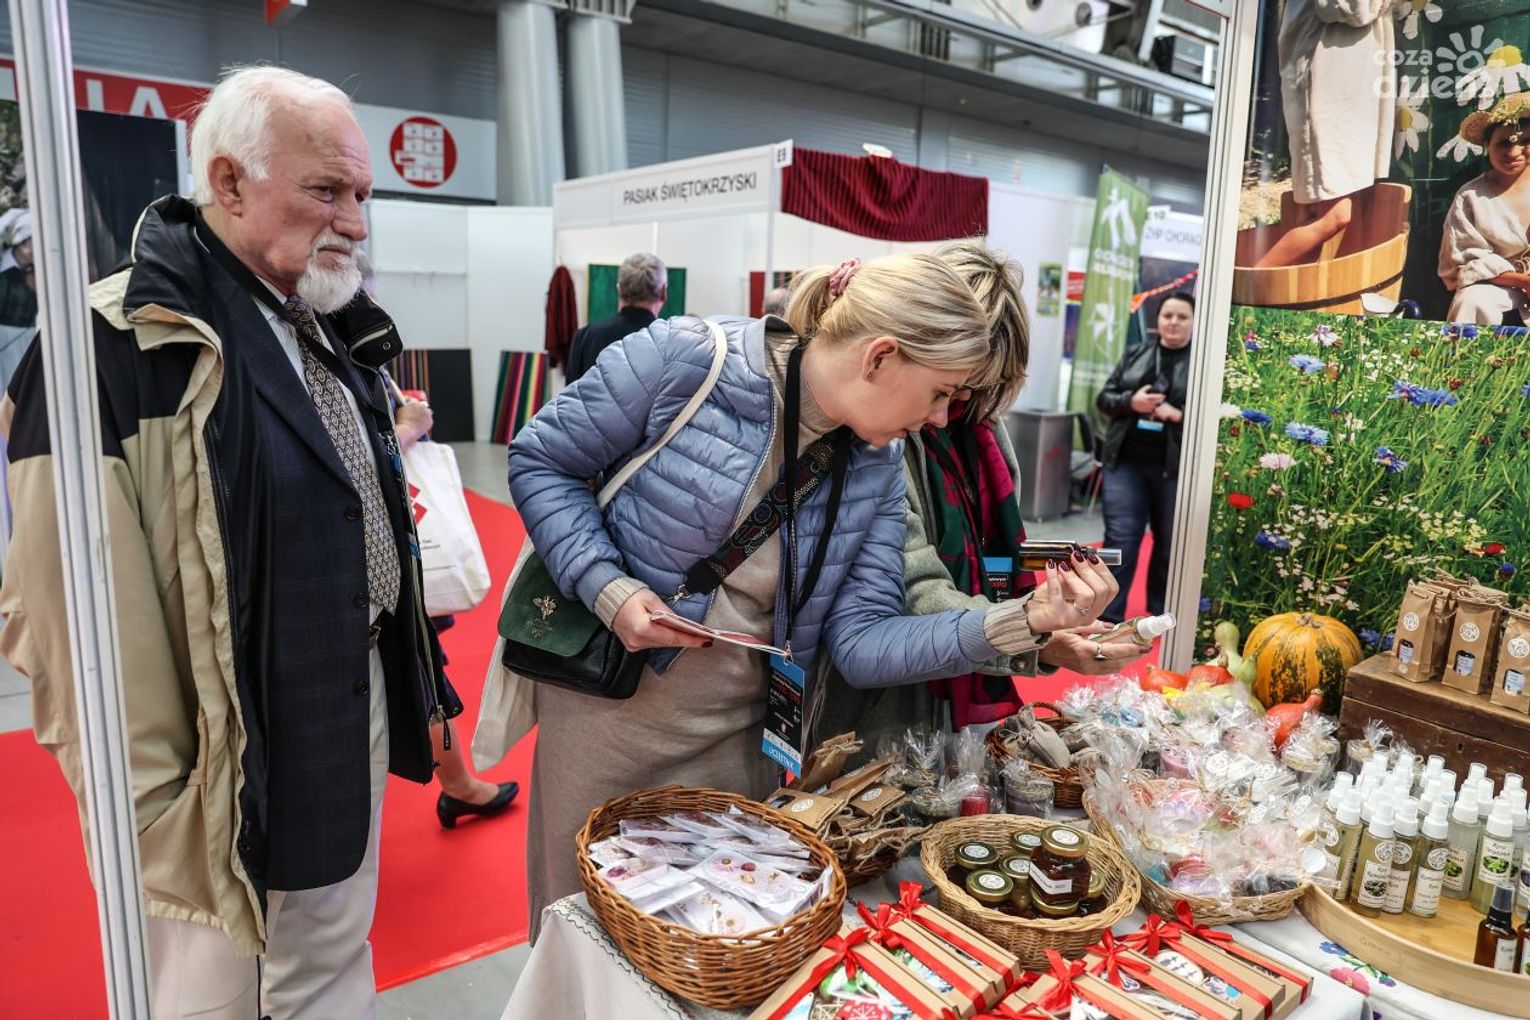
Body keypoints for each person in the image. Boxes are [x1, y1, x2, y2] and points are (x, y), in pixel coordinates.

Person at [0, 67, 454, 1019]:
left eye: (362, 194)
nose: (355, 223)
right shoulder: (108, 344)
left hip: (344, 690)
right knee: (207, 993)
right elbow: (66, 613)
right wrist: (153, 802)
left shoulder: (327, 321)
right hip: (211, 745)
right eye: (325, 190)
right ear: (229, 182)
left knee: (329, 948)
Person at [508, 252, 1120, 937]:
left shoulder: (877, 464)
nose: (941, 418)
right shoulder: (685, 359)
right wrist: (609, 588)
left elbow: (862, 642)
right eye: (941, 392)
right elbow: (541, 459)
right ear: (880, 357)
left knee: (706, 934)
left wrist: (1026, 618)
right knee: (582, 924)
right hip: (611, 714)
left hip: (743, 738)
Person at [814, 246, 1146, 743]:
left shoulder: (981, 431)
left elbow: (996, 559)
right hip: (882, 709)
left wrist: (1038, 631)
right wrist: (1033, 630)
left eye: (979, 388)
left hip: (957, 689)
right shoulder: (875, 436)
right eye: (949, 388)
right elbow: (913, 594)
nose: (957, 405)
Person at [355, 250, 520, 829]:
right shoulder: (337, 349)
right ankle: (458, 786)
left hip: (384, 548)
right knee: (418, 670)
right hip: (374, 555)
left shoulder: (350, 350)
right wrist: (406, 429)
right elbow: (353, 462)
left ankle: (458, 785)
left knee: (422, 668)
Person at [1254, 0, 1394, 268]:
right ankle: (1247, 285)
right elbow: (1347, 7)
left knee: (1314, 215)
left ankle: (1267, 289)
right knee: (1334, 216)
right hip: (1328, 86)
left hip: (1333, 83)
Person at [1095, 291, 1195, 623]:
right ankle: (1107, 615)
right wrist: (1130, 401)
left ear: (1194, 322)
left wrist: (1178, 415)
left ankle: (1160, 612)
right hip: (1126, 463)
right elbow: (1104, 399)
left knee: (1170, 542)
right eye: (1168, 316)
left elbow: (1216, 418)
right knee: (1120, 538)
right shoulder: (1135, 353)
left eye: (1182, 316)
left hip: (1175, 467)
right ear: (1158, 320)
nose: (1174, 322)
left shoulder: (1203, 363)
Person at [1439, 95, 1530, 324]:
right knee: (1472, 300)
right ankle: (1466, 346)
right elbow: (1464, 261)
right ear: (1487, 146)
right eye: (1503, 143)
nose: (1514, 152)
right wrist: (1523, 281)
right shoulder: (1471, 197)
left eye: (1525, 141)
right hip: (1498, 285)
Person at [563, 251, 667, 383]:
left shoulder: (584, 337)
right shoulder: (672, 345)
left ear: (619, 289)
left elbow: (570, 394)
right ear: (663, 293)